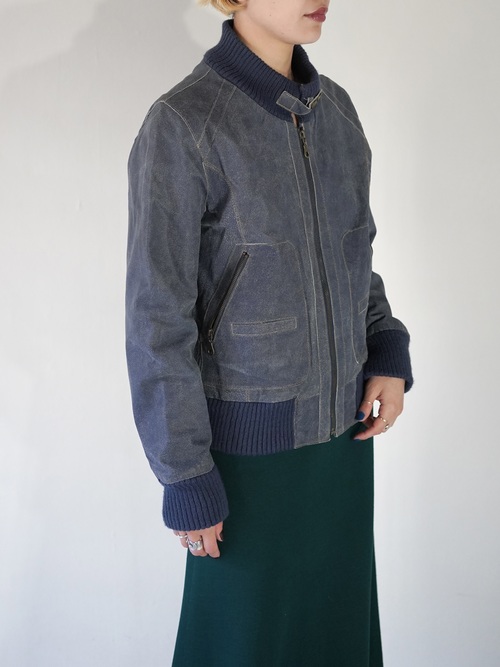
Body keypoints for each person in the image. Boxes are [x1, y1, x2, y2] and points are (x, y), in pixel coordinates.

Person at [126, 1, 413, 664]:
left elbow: (354, 257)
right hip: (244, 464)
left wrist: (386, 347)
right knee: (240, 647)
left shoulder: (336, 112)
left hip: (343, 448)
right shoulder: (184, 123)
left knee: (337, 641)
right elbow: (155, 318)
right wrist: (185, 474)